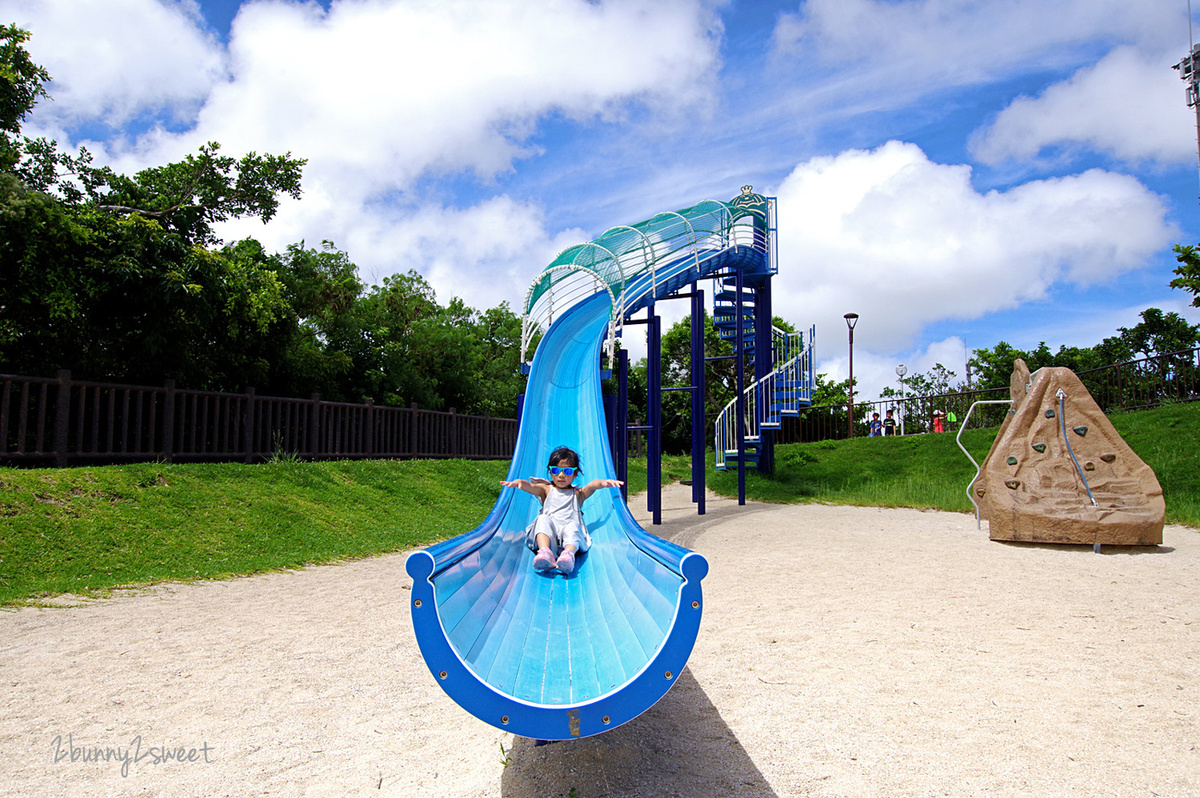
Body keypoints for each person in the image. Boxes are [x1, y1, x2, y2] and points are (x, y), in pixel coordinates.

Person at [501, 446, 623, 575]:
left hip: (569, 540)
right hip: (549, 537)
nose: (561, 475)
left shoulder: (577, 494)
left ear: (575, 474)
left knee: (573, 526)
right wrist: (520, 482)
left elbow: (592, 485)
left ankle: (568, 555)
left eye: (567, 471)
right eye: (555, 470)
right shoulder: (546, 490)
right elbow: (531, 486)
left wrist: (603, 483)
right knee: (542, 519)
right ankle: (545, 552)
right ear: (550, 472)